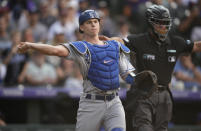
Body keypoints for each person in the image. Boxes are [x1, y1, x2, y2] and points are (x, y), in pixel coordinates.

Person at [17, 9, 147, 131]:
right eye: (89, 22)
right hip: (91, 103)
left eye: (95, 21)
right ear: (81, 27)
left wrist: (140, 80)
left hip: (114, 102)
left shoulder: (114, 46)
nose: (93, 24)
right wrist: (30, 45)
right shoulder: (81, 47)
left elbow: (127, 75)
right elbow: (55, 50)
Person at [100, 4, 201, 131]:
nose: (163, 27)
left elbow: (196, 46)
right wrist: (109, 40)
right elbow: (121, 41)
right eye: (160, 23)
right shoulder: (140, 41)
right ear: (151, 24)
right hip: (143, 93)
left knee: (162, 129)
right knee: (144, 127)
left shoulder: (175, 42)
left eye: (166, 23)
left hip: (165, 94)